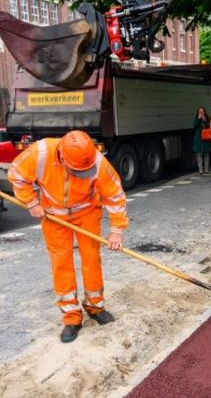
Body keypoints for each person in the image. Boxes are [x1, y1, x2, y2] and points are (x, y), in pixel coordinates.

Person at [7, 130, 128, 343]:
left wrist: (117, 231)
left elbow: (114, 195)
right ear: (62, 157)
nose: (81, 173)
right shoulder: (41, 152)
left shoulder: (97, 162)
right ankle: (71, 317)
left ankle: (95, 306)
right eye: (77, 171)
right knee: (61, 262)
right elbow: (17, 174)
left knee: (91, 259)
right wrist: (32, 202)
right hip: (54, 216)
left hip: (87, 212)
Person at [192, 106, 211, 174]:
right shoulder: (196, 119)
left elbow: (210, 126)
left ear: (204, 112)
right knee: (199, 154)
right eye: (200, 112)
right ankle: (200, 169)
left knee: (206, 153)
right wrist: (198, 119)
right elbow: (194, 126)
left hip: (206, 138)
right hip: (199, 139)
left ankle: (206, 169)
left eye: (202, 111)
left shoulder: (207, 118)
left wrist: (205, 121)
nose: (201, 113)